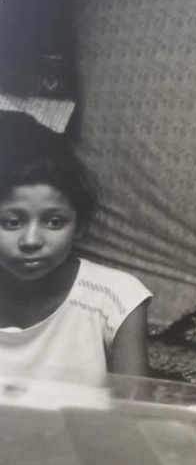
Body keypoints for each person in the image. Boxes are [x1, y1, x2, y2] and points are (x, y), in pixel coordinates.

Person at [0, 117, 151, 385]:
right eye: (12, 222)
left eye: (54, 222)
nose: (31, 240)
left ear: (79, 225)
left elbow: (135, 415)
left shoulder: (117, 298)